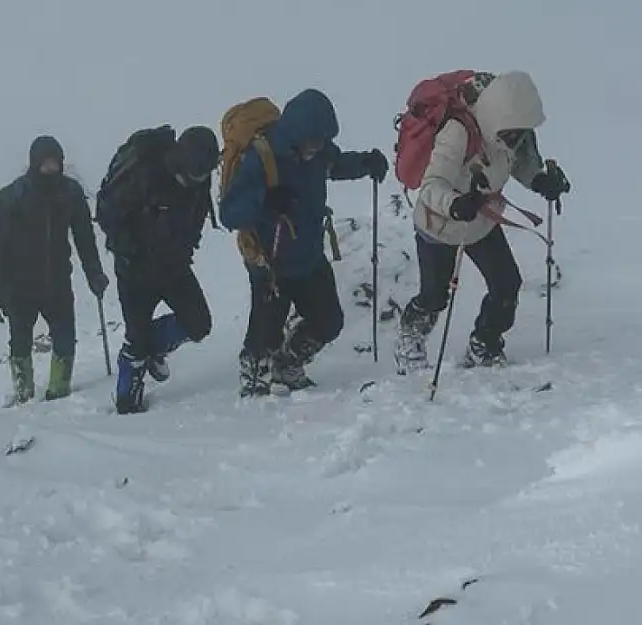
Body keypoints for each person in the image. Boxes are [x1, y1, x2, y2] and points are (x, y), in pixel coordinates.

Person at [394, 70, 571, 371]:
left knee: (506, 284)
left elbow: (518, 163)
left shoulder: (512, 127)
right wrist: (454, 204)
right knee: (435, 296)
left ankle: (484, 344)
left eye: (520, 133)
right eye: (511, 134)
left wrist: (540, 181)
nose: (516, 140)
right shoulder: (458, 131)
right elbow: (431, 186)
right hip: (438, 226)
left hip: (481, 221)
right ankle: (409, 338)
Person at [219, 89, 389, 397]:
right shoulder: (262, 157)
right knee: (264, 334)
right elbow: (229, 213)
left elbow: (336, 164)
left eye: (323, 140)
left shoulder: (318, 151)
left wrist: (366, 163)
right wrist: (266, 201)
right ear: (297, 134)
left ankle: (287, 364)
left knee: (328, 322)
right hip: (270, 262)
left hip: (308, 255)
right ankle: (254, 383)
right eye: (314, 140)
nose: (319, 147)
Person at [95, 125, 219, 414]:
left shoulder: (199, 176)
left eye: (201, 175)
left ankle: (147, 349)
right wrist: (131, 251)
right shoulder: (143, 173)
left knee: (199, 324)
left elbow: (197, 214)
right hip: (135, 273)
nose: (194, 181)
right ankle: (134, 364)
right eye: (191, 175)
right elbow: (108, 215)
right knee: (129, 398)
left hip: (174, 268)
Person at [0, 135, 110, 405]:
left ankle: (59, 393)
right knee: (20, 341)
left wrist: (95, 274)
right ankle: (24, 393)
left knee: (65, 340)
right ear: (34, 164)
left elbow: (84, 237)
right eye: (45, 164)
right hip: (19, 286)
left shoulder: (71, 193)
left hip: (57, 282)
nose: (51, 170)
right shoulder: (11, 197)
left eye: (55, 164)